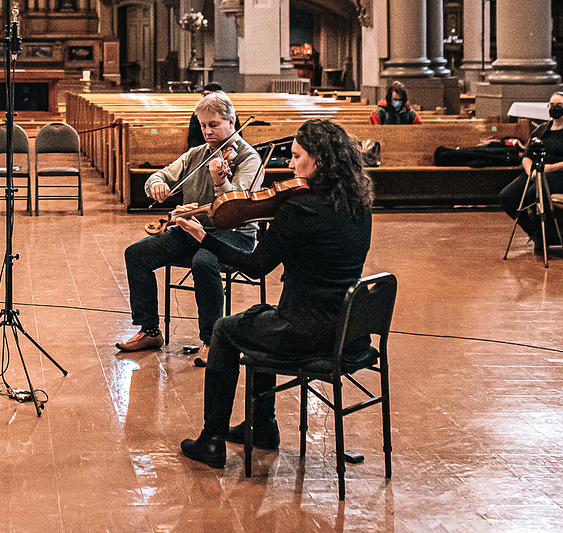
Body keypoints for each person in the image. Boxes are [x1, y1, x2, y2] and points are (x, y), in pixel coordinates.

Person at [178, 118, 375, 468]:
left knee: (225, 329)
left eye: (297, 157)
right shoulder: (358, 203)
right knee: (261, 318)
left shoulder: (299, 209)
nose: (290, 164)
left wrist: (203, 238)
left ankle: (211, 440)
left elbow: (254, 267)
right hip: (349, 331)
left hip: (308, 333)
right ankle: (261, 426)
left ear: (319, 161)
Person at [117, 92, 264, 366]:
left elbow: (235, 209)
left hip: (233, 236)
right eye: (203, 126)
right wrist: (156, 186)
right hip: (193, 229)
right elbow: (159, 176)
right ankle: (149, 331)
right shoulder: (196, 155)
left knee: (203, 261)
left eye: (214, 125)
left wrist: (220, 181)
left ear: (232, 121)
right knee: (136, 254)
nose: (208, 131)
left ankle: (212, 341)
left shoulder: (248, 159)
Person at [499, 90, 563, 255]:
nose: (554, 109)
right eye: (551, 105)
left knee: (533, 194)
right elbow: (527, 156)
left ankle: (544, 236)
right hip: (538, 173)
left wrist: (551, 167)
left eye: (559, 106)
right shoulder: (542, 129)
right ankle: (536, 233)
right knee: (507, 196)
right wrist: (530, 172)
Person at [185, 83, 224, 150]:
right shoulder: (196, 115)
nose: (205, 98)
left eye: (208, 95)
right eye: (204, 95)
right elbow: (193, 139)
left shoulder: (228, 113)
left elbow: (237, 138)